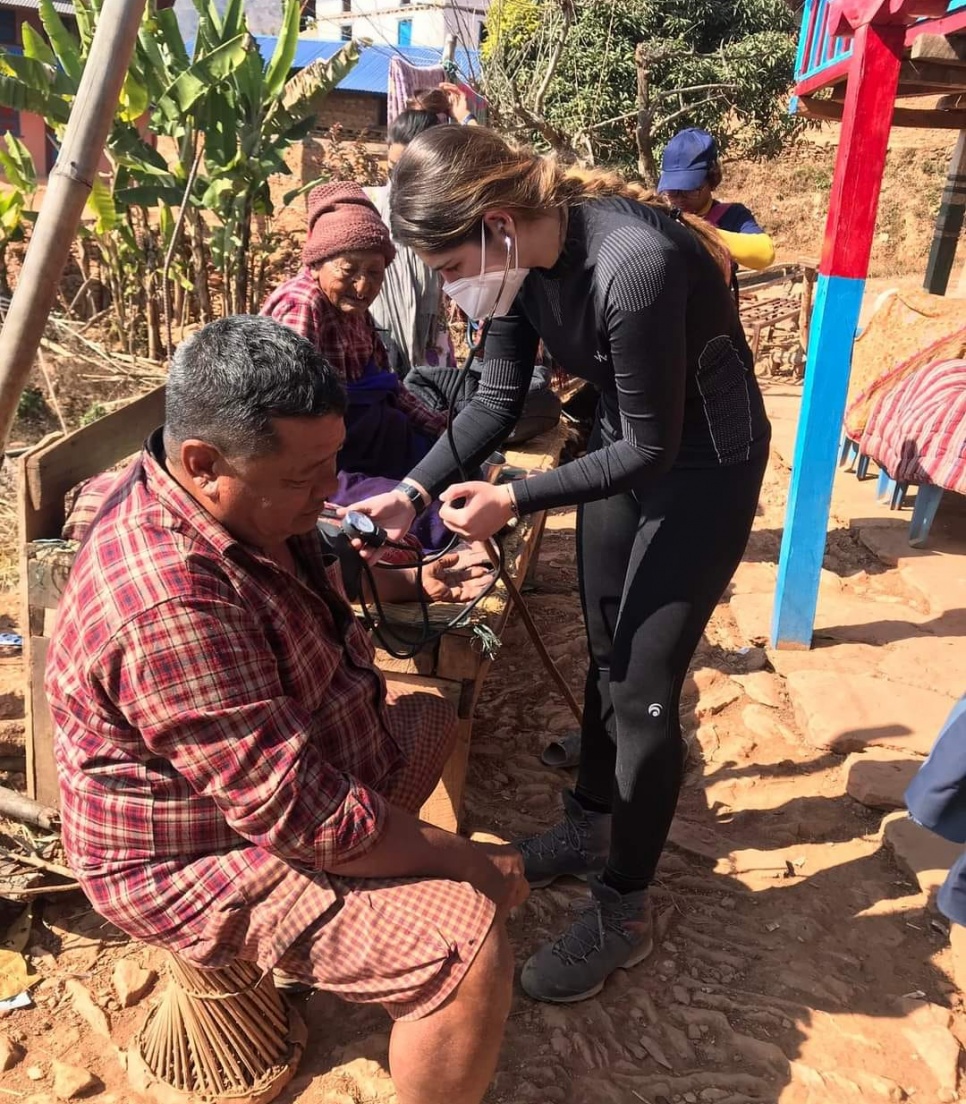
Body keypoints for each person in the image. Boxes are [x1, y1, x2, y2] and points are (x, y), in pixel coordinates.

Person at [45, 316, 528, 1104]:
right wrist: (465, 861)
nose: (329, 489)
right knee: (467, 944)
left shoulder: (245, 503)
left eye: (334, 460)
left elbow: (324, 564)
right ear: (203, 463)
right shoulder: (168, 602)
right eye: (308, 474)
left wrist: (413, 581)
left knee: (430, 720)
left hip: (274, 788)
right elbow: (307, 818)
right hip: (190, 853)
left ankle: (379, 906)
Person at [347, 125, 771, 1003]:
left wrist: (514, 500)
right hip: (621, 448)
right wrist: (413, 496)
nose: (455, 288)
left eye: (452, 265)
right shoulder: (518, 265)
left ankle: (626, 906)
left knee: (646, 690)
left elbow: (656, 449)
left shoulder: (633, 262)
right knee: (604, 647)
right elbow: (497, 400)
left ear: (498, 222)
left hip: (701, 468)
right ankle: (588, 826)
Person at [261, 182, 450, 549]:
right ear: (316, 264)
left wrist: (441, 428)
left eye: (375, 273)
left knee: (451, 468)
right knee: (428, 515)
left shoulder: (354, 311)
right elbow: (292, 415)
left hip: (374, 437)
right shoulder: (303, 306)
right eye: (349, 270)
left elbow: (389, 385)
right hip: (329, 457)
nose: (363, 286)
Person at [658, 127, 775, 274]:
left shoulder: (731, 216)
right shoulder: (660, 216)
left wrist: (700, 232)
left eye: (690, 190)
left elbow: (765, 254)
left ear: (712, 179)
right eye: (672, 191)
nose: (680, 198)